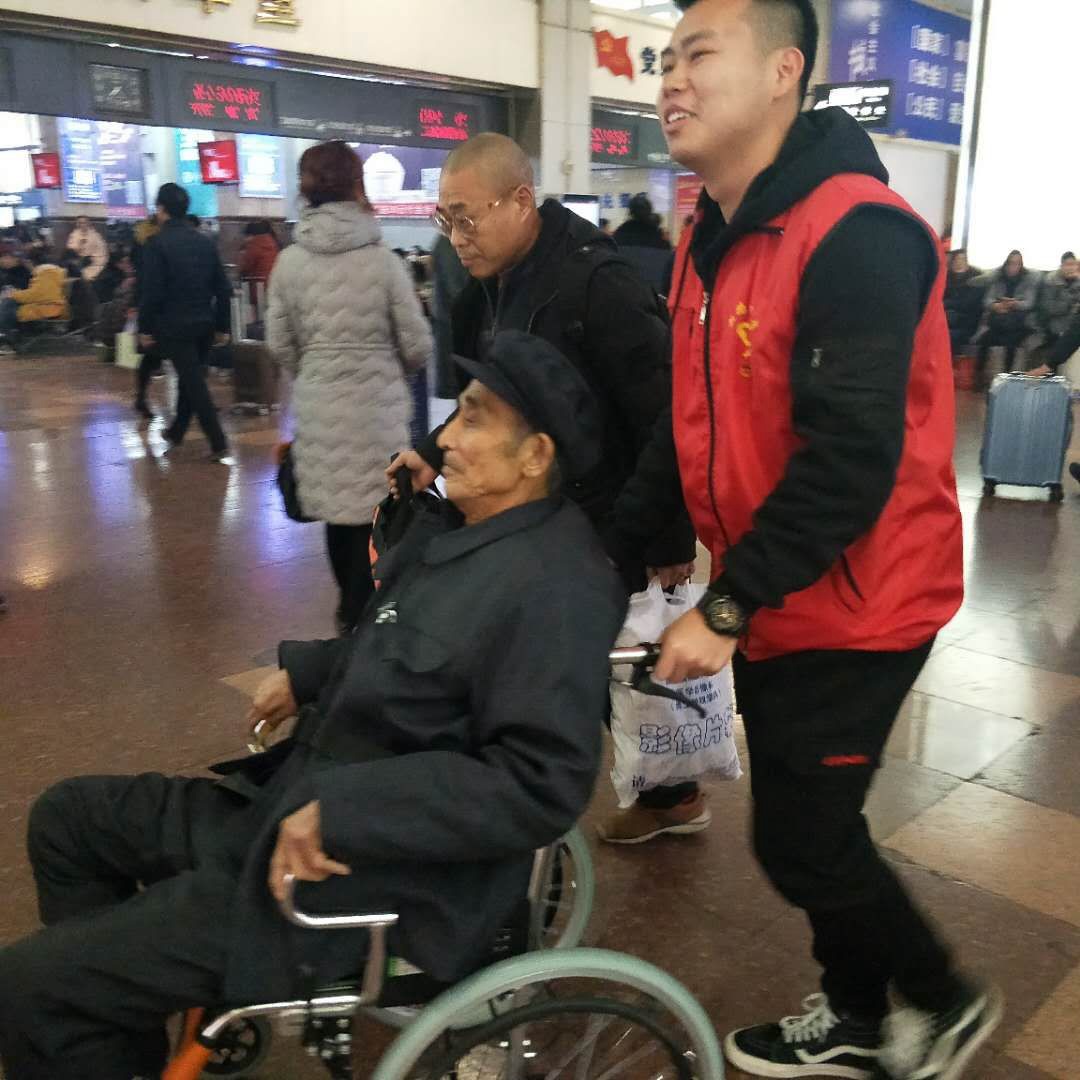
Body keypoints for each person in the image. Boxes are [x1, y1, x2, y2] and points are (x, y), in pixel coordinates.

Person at [0, 330, 626, 1080]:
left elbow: (537, 785)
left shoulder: (558, 588)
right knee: (68, 820)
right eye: (457, 412)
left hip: (353, 878)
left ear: (535, 456)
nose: (449, 438)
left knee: (29, 989)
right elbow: (403, 642)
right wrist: (308, 674)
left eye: (473, 419)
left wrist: (343, 809)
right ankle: (113, 1039)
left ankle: (90, 1006)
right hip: (284, 809)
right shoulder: (469, 534)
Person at [610, 1, 1002, 1077]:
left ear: (785, 70)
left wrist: (727, 607)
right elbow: (684, 421)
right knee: (811, 822)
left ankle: (945, 999)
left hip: (863, 597)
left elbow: (851, 459)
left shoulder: (859, 232)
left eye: (698, 54)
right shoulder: (709, 236)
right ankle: (860, 1012)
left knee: (802, 837)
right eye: (666, 58)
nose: (670, 79)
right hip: (780, 592)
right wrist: (621, 546)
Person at [386, 132, 700, 842]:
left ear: (522, 200)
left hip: (608, 512)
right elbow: (497, 392)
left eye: (468, 219)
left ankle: (668, 795)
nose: (456, 239)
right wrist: (433, 451)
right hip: (545, 511)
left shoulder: (598, 282)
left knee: (600, 658)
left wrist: (665, 537)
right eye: (445, 221)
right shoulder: (497, 282)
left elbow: (668, 415)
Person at [267, 141, 432, 635]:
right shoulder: (384, 263)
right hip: (378, 414)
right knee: (379, 518)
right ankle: (374, 620)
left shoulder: (289, 264)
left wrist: (317, 370)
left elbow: (279, 343)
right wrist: (385, 368)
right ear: (358, 186)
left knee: (338, 519)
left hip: (320, 411)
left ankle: (348, 615)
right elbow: (417, 345)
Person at [138, 183, 233, 459]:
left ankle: (218, 441)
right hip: (204, 323)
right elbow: (222, 288)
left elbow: (152, 291)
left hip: (174, 326)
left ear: (161, 209)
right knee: (191, 379)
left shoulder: (156, 244)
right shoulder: (205, 242)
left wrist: (145, 328)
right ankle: (177, 432)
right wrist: (222, 325)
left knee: (194, 384)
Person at [975, 249, 1039, 387]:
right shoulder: (997, 278)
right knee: (984, 340)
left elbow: (1030, 302)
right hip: (999, 321)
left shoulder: (1028, 280)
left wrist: (1014, 304)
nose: (1013, 267)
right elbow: (987, 300)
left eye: (1017, 264)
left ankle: (1007, 380)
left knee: (1011, 344)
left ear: (1021, 265)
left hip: (1018, 324)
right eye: (1011, 263)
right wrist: (996, 305)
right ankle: (978, 378)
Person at [0, 248, 69, 341]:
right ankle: (8, 337)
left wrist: (13, 294)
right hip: (48, 305)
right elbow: (37, 293)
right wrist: (14, 294)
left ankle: (6, 340)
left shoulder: (46, 272)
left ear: (29, 262)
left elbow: (37, 294)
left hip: (51, 308)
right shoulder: (48, 271)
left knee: (8, 306)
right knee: (8, 304)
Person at [613, 193, 674, 292]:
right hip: (653, 295)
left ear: (630, 212)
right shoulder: (661, 240)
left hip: (623, 292)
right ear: (650, 211)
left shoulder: (618, 236)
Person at [1027, 251, 1080, 360]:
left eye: (1073, 265)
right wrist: (1069, 303)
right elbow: (1047, 307)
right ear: (1061, 266)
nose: (1071, 268)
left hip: (1070, 321)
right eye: (1067, 265)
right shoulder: (1050, 281)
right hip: (1049, 323)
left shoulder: (1077, 282)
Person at [943, 249, 984, 357]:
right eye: (956, 259)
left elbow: (968, 304)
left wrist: (946, 304)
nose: (959, 262)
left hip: (967, 321)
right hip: (946, 318)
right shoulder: (945, 276)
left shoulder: (976, 278)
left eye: (962, 259)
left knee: (949, 334)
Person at [238, 219, 280, 311]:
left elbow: (245, 267)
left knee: (256, 313)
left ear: (251, 235)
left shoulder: (254, 245)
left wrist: (242, 253)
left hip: (258, 287)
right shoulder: (273, 242)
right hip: (272, 286)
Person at [65, 215, 108, 282]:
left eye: (84, 223)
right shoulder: (74, 234)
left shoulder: (95, 235)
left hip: (95, 259)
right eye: (79, 223)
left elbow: (100, 249)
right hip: (79, 258)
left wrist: (83, 248)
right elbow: (71, 248)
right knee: (68, 263)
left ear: (88, 223)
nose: (81, 225)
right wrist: (80, 245)